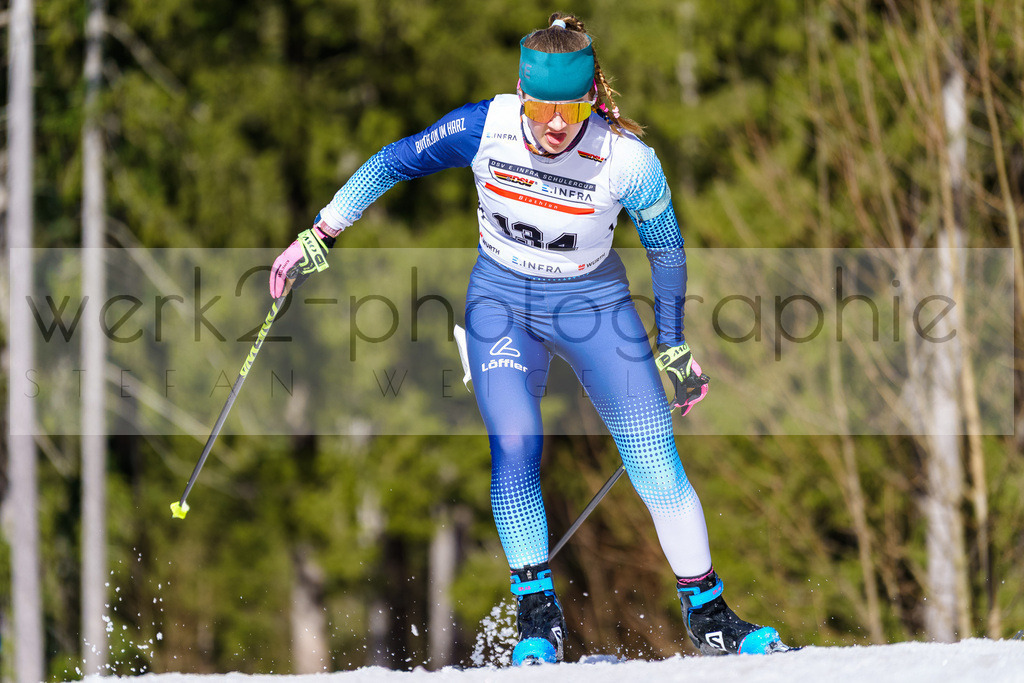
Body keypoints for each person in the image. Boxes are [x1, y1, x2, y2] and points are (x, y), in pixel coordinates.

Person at [270, 12, 791, 665]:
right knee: (516, 443)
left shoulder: (627, 159)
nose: (555, 125)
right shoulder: (483, 127)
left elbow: (667, 251)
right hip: (502, 304)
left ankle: (709, 612)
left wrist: (675, 346)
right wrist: (320, 234)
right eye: (541, 108)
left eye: (571, 110)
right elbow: (393, 162)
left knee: (655, 457)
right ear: (521, 91)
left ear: (592, 98)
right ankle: (537, 615)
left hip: (594, 306)